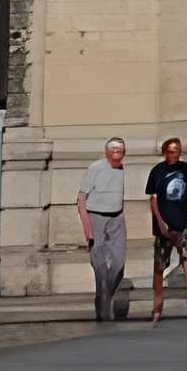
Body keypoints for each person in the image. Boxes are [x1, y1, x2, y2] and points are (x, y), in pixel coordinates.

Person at [146, 136, 187, 322]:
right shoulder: (157, 171)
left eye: (178, 150)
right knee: (160, 266)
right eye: (172, 150)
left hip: (183, 222)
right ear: (165, 152)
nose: (175, 153)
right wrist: (161, 223)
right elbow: (153, 199)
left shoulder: (185, 169)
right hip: (164, 226)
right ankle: (157, 305)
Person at [77, 138, 130, 322]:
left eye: (120, 150)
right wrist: (88, 231)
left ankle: (105, 296)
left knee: (119, 263)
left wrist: (121, 214)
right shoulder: (95, 168)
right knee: (99, 265)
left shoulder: (121, 169)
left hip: (117, 216)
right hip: (96, 217)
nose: (117, 153)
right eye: (114, 150)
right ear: (106, 152)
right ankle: (103, 304)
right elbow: (81, 199)